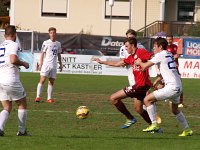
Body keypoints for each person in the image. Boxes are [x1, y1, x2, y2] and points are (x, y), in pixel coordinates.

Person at [135, 37, 193, 136]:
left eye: (154, 46)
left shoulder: (160, 54)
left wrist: (139, 62)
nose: (153, 48)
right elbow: (167, 70)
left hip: (172, 87)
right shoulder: (169, 54)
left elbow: (144, 66)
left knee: (147, 100)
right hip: (178, 86)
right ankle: (187, 130)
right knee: (174, 109)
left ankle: (154, 124)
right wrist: (158, 80)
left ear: (160, 47)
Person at [93, 37, 152, 129]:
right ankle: (153, 126)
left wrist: (144, 64)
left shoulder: (141, 52)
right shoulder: (131, 57)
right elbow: (118, 63)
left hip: (141, 85)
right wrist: (102, 62)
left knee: (113, 98)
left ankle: (130, 118)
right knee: (138, 109)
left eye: (127, 46)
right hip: (141, 86)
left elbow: (153, 58)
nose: (125, 48)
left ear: (132, 45)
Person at [119, 29, 162, 124]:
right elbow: (123, 61)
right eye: (128, 37)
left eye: (131, 37)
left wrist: (142, 64)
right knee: (139, 106)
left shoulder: (141, 48)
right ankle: (152, 120)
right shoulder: (123, 48)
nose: (130, 38)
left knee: (145, 96)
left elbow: (149, 59)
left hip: (141, 74)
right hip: (131, 75)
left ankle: (153, 118)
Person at [0, 25, 30, 136]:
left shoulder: (1, 46)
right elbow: (13, 60)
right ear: (14, 35)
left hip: (0, 79)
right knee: (22, 104)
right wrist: (24, 63)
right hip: (10, 78)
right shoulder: (14, 44)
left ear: (4, 35)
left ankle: (0, 128)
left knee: (7, 107)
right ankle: (22, 131)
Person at [35, 27, 63, 103]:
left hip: (54, 65)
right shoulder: (46, 42)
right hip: (46, 64)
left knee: (51, 81)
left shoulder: (58, 43)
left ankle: (49, 98)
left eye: (54, 32)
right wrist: (40, 63)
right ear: (49, 34)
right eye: (51, 33)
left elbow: (59, 54)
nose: (52, 34)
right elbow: (42, 53)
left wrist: (60, 64)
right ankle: (38, 97)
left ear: (55, 33)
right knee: (42, 80)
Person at [166, 35, 184, 108]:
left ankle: (181, 102)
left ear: (172, 39)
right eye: (167, 39)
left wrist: (177, 62)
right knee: (162, 85)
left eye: (170, 39)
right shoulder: (164, 47)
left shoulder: (175, 47)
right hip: (166, 69)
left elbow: (178, 55)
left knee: (179, 83)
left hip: (175, 69)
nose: (169, 41)